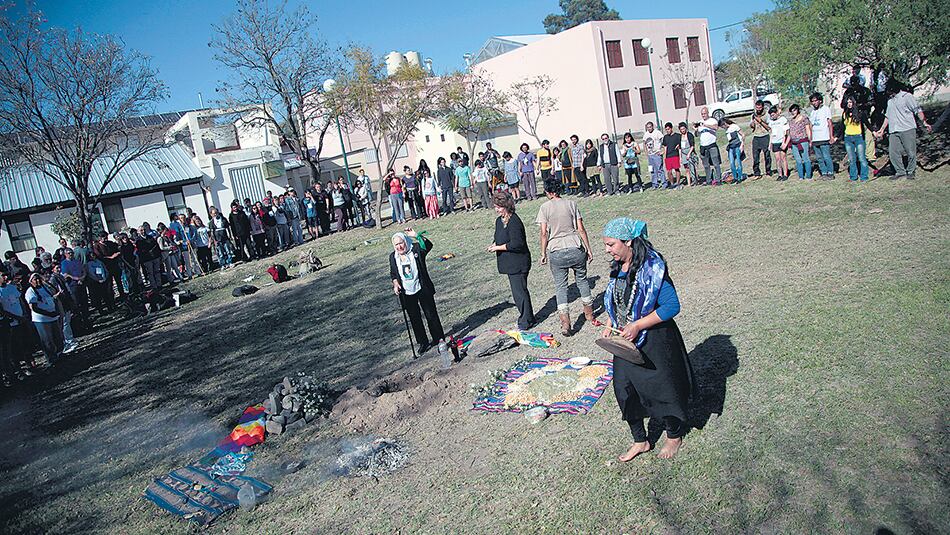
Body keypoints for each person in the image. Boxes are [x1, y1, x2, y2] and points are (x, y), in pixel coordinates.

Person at [601, 218, 692, 461]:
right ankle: (640, 441)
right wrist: (611, 321)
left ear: (628, 241)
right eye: (606, 245)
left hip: (655, 340)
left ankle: (673, 436)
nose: (607, 250)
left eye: (611, 244)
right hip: (626, 342)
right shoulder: (618, 266)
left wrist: (639, 324)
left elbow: (672, 306)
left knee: (663, 389)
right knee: (624, 390)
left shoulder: (652, 268)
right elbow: (620, 299)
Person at [536, 178, 596, 337]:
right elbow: (581, 229)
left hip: (556, 251)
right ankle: (589, 314)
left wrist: (543, 253)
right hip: (576, 247)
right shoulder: (572, 204)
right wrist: (589, 249)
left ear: (548, 192)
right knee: (582, 280)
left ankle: (565, 324)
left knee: (560, 286)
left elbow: (544, 233)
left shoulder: (544, 208)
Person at [390, 229, 446, 355]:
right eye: (396, 245)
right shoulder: (393, 257)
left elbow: (428, 246)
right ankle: (423, 342)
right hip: (406, 292)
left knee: (431, 314)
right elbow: (393, 273)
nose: (399, 246)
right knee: (415, 318)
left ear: (406, 241)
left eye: (401, 243)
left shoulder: (415, 249)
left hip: (422, 288)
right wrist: (395, 283)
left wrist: (416, 236)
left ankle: (438, 339)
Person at [488, 191, 535, 331]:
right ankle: (529, 316)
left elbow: (517, 243)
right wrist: (494, 244)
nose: (496, 210)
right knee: (518, 292)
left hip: (518, 263)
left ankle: (526, 320)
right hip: (509, 264)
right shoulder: (499, 221)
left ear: (506, 206)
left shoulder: (514, 221)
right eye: (495, 207)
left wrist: (498, 247)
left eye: (499, 207)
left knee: (520, 293)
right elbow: (499, 236)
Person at [874, 80, 932, 180]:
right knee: (893, 152)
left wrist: (924, 122)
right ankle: (900, 172)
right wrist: (882, 129)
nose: (888, 92)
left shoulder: (907, 96)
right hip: (894, 130)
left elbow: (917, 110)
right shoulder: (890, 101)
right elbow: (888, 116)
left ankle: (911, 171)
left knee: (910, 152)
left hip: (907, 128)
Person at [25, 273, 63, 365]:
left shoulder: (45, 288)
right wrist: (48, 314)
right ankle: (51, 359)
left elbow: (51, 299)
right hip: (42, 319)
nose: (37, 281)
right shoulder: (30, 291)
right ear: (31, 281)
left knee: (57, 337)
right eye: (35, 280)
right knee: (47, 340)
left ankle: (59, 354)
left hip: (53, 316)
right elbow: (33, 307)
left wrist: (56, 311)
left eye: (38, 279)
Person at [842, 95, 872, 181]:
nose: (849, 104)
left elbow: (867, 124)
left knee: (862, 158)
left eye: (851, 102)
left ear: (854, 103)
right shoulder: (844, 114)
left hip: (858, 137)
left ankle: (864, 176)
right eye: (847, 103)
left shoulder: (860, 113)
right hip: (848, 138)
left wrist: (874, 132)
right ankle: (853, 177)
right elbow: (842, 127)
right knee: (851, 159)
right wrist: (836, 137)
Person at [809, 92, 836, 180]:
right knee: (819, 158)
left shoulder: (825, 109)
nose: (814, 103)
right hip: (816, 139)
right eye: (812, 101)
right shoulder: (813, 112)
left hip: (824, 137)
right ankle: (823, 173)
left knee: (826, 156)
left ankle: (830, 173)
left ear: (820, 101)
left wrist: (831, 136)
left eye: (815, 101)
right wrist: (811, 139)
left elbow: (830, 123)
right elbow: (811, 126)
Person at [92, 231, 123, 300]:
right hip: (106, 267)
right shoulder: (97, 246)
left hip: (115, 265)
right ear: (100, 238)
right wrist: (111, 257)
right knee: (109, 284)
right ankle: (111, 299)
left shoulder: (110, 243)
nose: (105, 239)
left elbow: (117, 249)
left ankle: (122, 295)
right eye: (103, 237)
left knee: (119, 281)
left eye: (106, 237)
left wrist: (118, 252)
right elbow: (100, 257)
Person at [787, 104, 813, 180]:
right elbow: (789, 132)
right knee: (798, 160)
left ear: (798, 110)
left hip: (803, 141)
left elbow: (808, 129)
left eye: (794, 110)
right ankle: (801, 176)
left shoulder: (804, 118)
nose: (793, 112)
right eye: (791, 111)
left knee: (806, 158)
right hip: (794, 143)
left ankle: (808, 176)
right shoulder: (791, 121)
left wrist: (810, 140)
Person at [749, 100, 773, 178]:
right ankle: (757, 173)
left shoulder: (766, 115)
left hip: (765, 136)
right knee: (755, 156)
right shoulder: (753, 115)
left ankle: (768, 171)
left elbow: (769, 127)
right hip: (756, 136)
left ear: (762, 107)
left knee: (767, 155)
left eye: (760, 107)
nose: (758, 109)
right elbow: (751, 126)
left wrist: (761, 121)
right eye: (757, 107)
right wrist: (752, 124)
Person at [136, 224, 162, 288]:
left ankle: (159, 284)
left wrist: (159, 255)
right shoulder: (138, 240)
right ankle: (154, 286)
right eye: (141, 230)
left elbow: (156, 246)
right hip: (147, 259)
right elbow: (141, 250)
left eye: (144, 230)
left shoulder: (150, 237)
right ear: (138, 232)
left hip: (155, 257)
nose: (143, 231)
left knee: (157, 271)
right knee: (150, 273)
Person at [767, 105, 790, 181]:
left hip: (782, 141)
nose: (772, 116)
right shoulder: (771, 122)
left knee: (783, 158)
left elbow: (786, 132)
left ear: (777, 113)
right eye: (771, 115)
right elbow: (771, 133)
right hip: (775, 142)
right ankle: (780, 174)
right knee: (777, 159)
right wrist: (770, 143)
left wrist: (785, 143)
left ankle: (785, 174)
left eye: (773, 115)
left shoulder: (783, 119)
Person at [643, 122, 665, 189]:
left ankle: (664, 183)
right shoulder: (646, 134)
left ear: (653, 126)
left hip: (657, 154)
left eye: (650, 127)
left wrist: (662, 150)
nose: (649, 128)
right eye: (648, 127)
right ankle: (655, 184)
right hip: (650, 155)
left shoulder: (657, 132)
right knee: (652, 170)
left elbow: (663, 141)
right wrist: (646, 152)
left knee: (659, 169)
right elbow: (644, 143)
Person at [723, 118, 745, 183]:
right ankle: (735, 177)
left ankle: (739, 177)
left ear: (725, 123)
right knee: (732, 163)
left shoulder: (734, 126)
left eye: (722, 126)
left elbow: (743, 134)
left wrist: (742, 145)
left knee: (738, 162)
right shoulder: (726, 130)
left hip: (738, 145)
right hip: (731, 147)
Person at [660, 122, 681, 188]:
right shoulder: (665, 137)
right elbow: (665, 147)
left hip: (675, 155)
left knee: (676, 169)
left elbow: (681, 144)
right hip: (668, 156)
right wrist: (664, 155)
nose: (667, 131)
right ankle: (672, 183)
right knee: (669, 171)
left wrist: (679, 145)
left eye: (668, 129)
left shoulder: (677, 136)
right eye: (666, 129)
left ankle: (677, 183)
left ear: (671, 128)